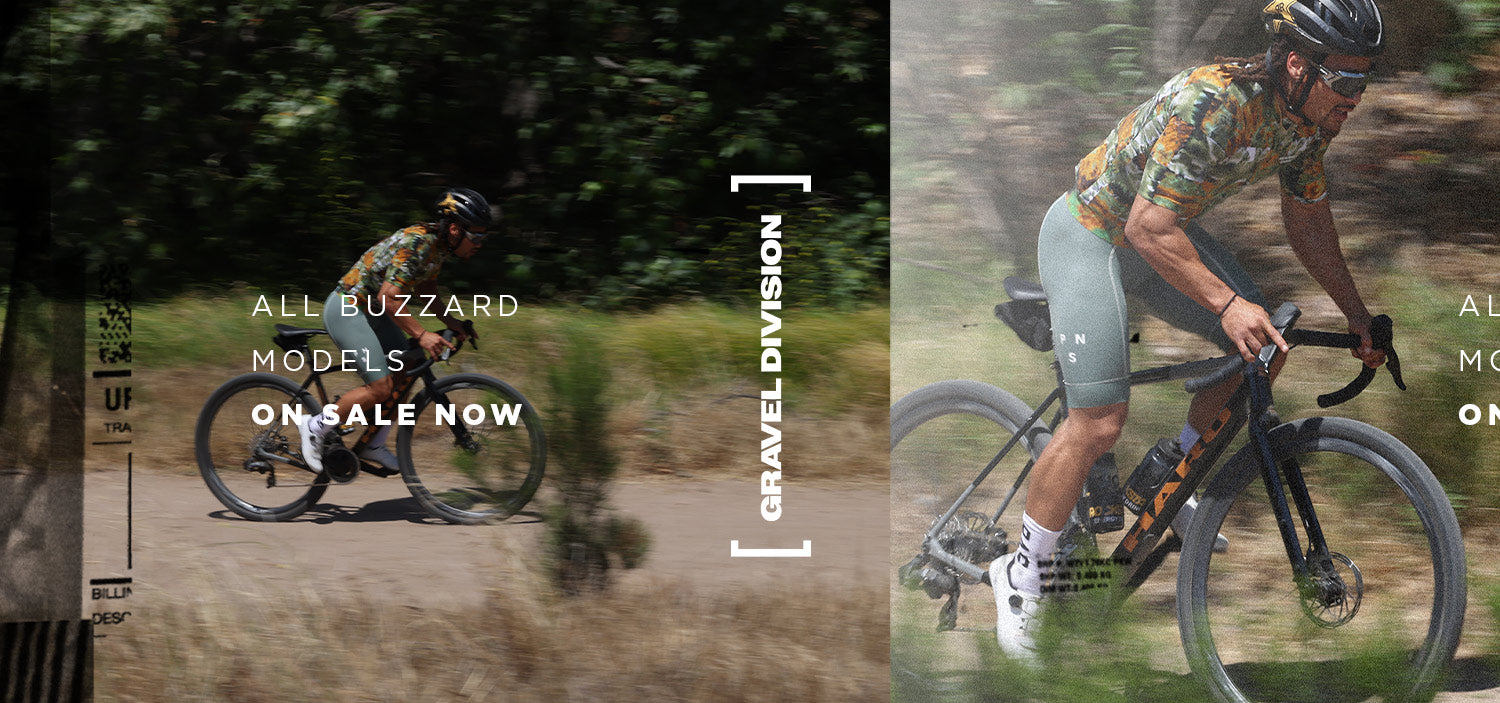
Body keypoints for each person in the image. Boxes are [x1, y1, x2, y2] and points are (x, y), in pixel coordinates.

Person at [990, 0, 1389, 663]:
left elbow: (1308, 220)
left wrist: (1355, 312)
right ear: (1297, 64)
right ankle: (1021, 577)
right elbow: (1146, 226)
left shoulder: (1309, 117)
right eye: (1345, 79)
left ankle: (1172, 485)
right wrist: (1227, 302)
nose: (1357, 95)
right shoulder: (1213, 102)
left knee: (1263, 346)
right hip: (1093, 233)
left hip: (1155, 236)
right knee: (1099, 421)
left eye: (1364, 80)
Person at [298, 187, 493, 473]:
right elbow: (388, 297)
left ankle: (375, 442)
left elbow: (426, 288)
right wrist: (422, 334)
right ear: (454, 229)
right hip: (348, 307)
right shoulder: (417, 242)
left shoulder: (438, 247)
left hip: (373, 312)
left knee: (404, 370)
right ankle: (314, 427)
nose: (480, 243)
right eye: (476, 236)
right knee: (381, 387)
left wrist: (453, 323)